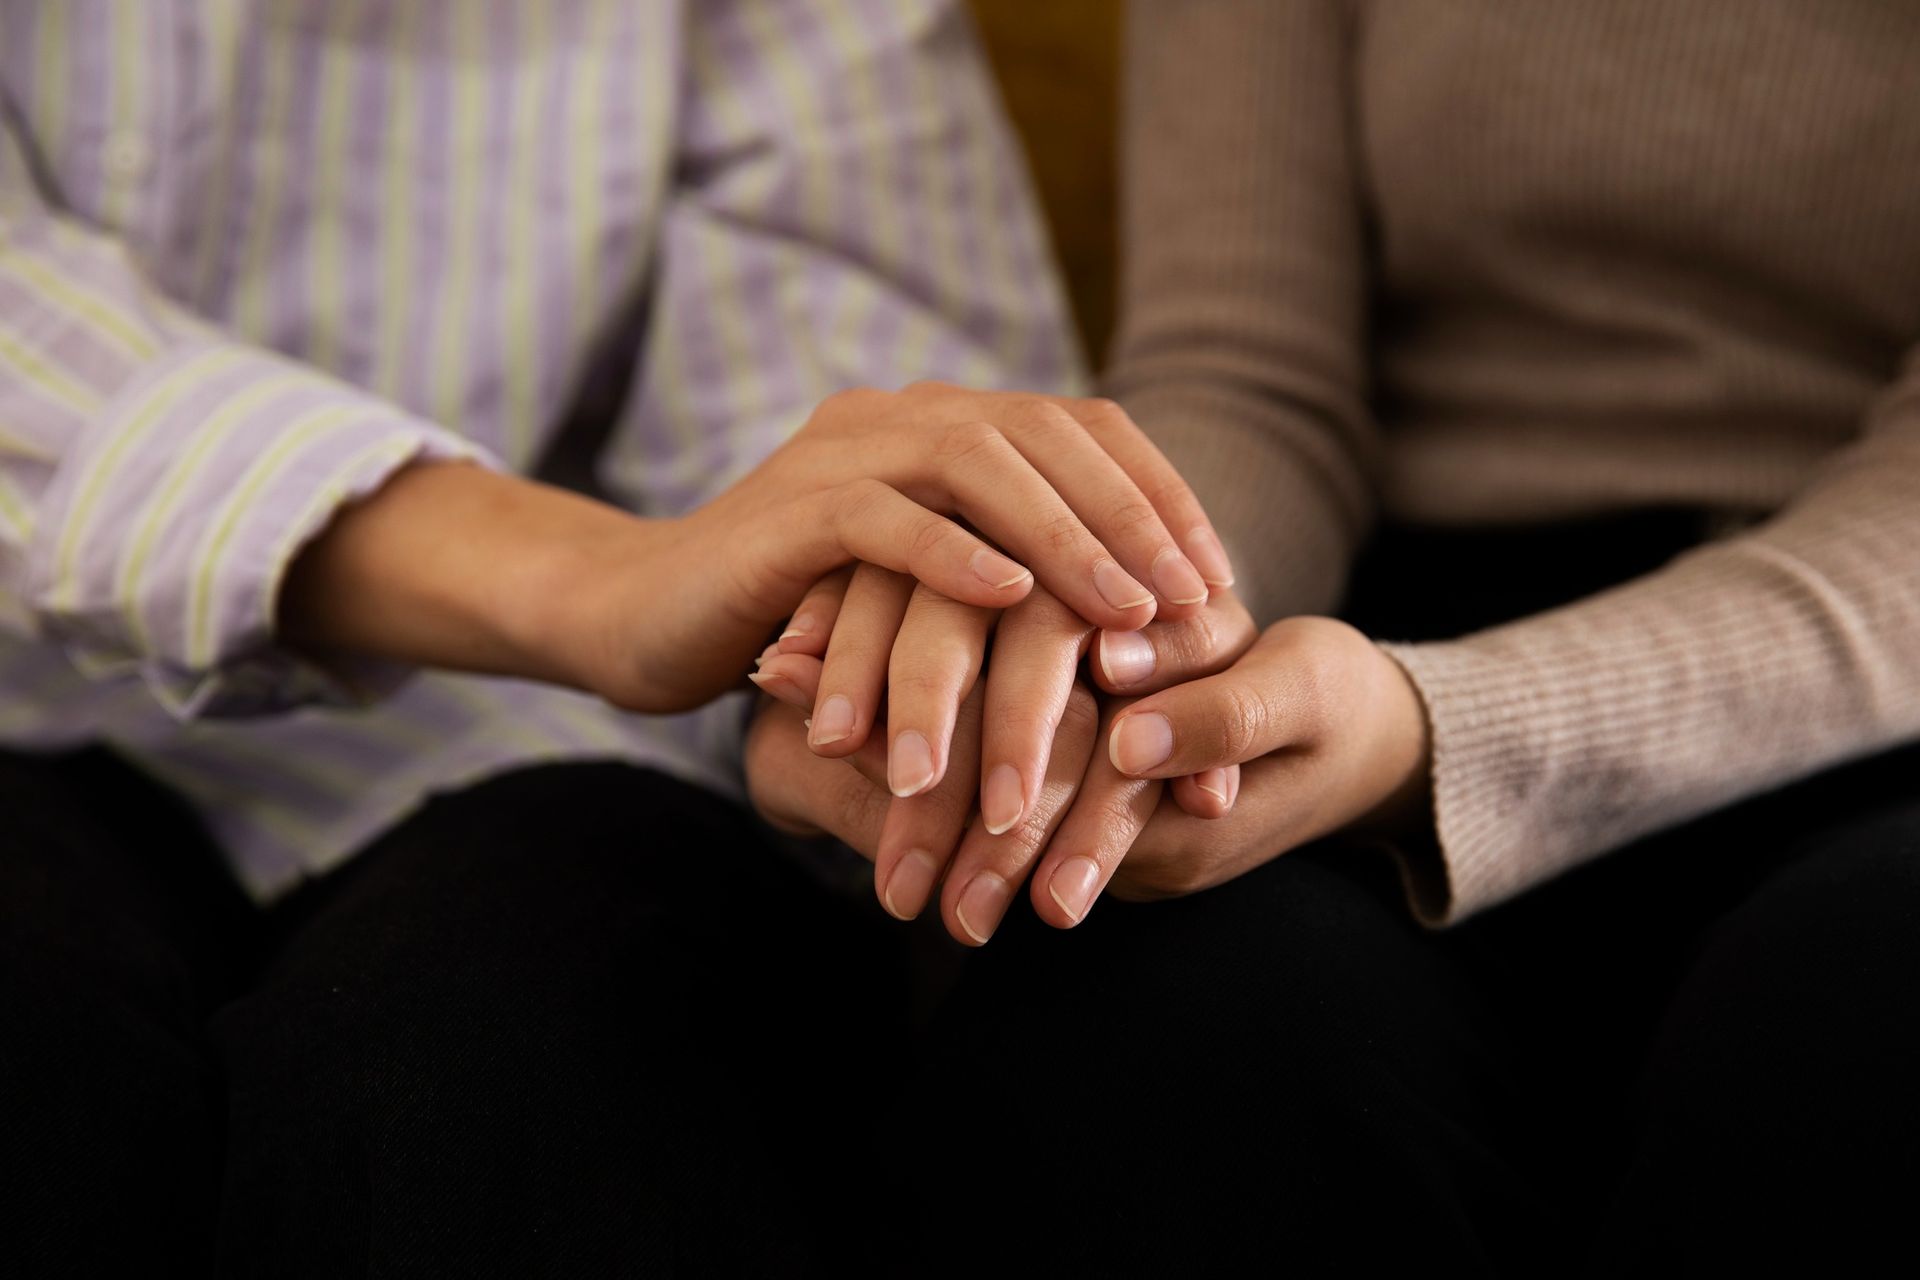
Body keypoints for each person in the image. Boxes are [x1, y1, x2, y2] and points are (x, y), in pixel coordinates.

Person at [0, 2, 1237, 1272]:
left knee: (515, 1046)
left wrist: (847, 655)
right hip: (36, 697)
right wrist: (608, 583)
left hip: (535, 732)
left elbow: (825, 315)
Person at [744, 1, 1920, 1273]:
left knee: (1866, 997)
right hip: (1361, 635)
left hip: (1855, 681)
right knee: (1171, 1006)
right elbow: (1250, 371)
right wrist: (1100, 625)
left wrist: (1436, 729)